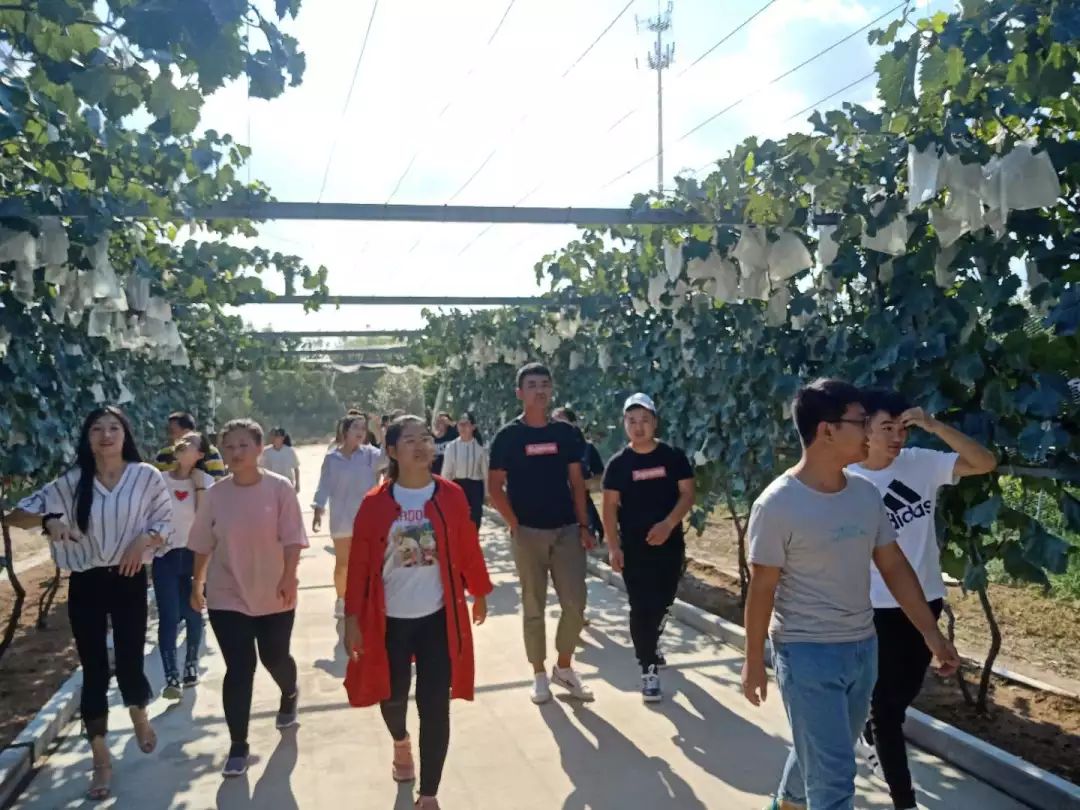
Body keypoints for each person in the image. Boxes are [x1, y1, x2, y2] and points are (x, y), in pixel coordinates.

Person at [741, 379, 960, 810]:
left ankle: (787, 803)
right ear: (827, 430)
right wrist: (753, 661)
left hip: (862, 648)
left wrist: (932, 635)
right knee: (836, 779)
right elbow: (762, 589)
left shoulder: (864, 494)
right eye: (861, 422)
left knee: (827, 750)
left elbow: (894, 566)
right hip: (807, 654)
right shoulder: (777, 504)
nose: (869, 431)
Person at [7, 406, 172, 801]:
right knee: (94, 668)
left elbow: (166, 522)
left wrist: (144, 539)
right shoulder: (71, 482)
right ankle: (100, 758)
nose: (106, 435)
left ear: (125, 434)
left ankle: (138, 713)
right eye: (97, 429)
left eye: (114, 428)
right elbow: (16, 514)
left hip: (130, 578)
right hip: (87, 581)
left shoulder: (145, 476)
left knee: (130, 658)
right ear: (87, 437)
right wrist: (48, 521)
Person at [851, 390, 997, 810]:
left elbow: (984, 462)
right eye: (887, 428)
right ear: (865, 429)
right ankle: (905, 800)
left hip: (924, 601)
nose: (897, 437)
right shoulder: (847, 479)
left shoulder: (920, 463)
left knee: (899, 696)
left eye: (903, 428)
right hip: (872, 606)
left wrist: (933, 426)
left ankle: (870, 733)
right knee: (886, 708)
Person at [344, 415, 493, 810]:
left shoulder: (451, 495)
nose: (421, 446)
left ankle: (428, 794)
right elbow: (359, 564)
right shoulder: (375, 504)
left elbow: (467, 546)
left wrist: (479, 590)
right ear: (392, 451)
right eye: (410, 440)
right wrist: (351, 618)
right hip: (389, 621)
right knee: (391, 697)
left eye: (425, 438)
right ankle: (400, 741)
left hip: (437, 619)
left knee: (434, 704)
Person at [189, 418, 308, 778]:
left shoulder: (279, 488)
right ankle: (238, 744)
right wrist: (197, 583)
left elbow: (293, 538)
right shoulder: (215, 495)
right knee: (240, 668)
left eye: (243, 445)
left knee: (274, 657)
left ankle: (289, 692)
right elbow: (202, 543)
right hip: (227, 594)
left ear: (259, 448)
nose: (236, 452)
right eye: (229, 446)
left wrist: (289, 576)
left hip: (274, 591)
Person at [488, 363, 595, 704]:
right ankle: (538, 673)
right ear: (520, 393)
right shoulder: (508, 437)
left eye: (545, 384)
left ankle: (564, 667)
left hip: (566, 530)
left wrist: (584, 525)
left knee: (575, 603)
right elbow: (495, 487)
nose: (539, 391)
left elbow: (577, 483)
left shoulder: (566, 434)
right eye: (532, 385)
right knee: (533, 605)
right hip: (528, 533)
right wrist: (514, 523)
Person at [602, 394, 694, 703]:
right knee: (641, 606)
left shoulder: (673, 457)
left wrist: (668, 524)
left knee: (664, 601)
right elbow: (609, 507)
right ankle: (648, 668)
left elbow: (687, 494)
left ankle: (651, 642)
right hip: (634, 549)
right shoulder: (618, 465)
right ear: (624, 424)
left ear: (655, 422)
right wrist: (613, 547)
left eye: (644, 420)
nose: (638, 427)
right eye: (632, 421)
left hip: (669, 546)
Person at [154, 431, 214, 699]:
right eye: (182, 441)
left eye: (191, 443)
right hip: (165, 556)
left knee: (193, 611)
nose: (183, 443)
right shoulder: (159, 480)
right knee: (168, 616)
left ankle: (191, 664)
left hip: (194, 556)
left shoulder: (207, 483)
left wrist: (199, 486)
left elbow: (203, 521)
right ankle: (171, 676)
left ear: (200, 454)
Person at [314, 414, 385, 618]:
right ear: (345, 431)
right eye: (356, 427)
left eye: (363, 427)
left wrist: (380, 431)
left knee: (369, 562)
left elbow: (387, 457)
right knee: (343, 563)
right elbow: (324, 485)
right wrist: (318, 509)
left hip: (367, 519)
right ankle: (341, 599)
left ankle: (366, 598)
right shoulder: (332, 458)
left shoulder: (371, 454)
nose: (360, 431)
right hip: (341, 518)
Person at [553, 406, 605, 543]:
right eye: (553, 421)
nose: (556, 425)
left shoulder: (587, 448)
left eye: (561, 421)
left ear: (573, 424)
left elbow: (601, 478)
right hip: (556, 511)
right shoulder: (549, 449)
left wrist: (580, 485)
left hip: (583, 507)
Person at [441, 411, 488, 530]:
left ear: (473, 427)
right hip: (457, 486)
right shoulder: (451, 447)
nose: (463, 428)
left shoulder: (480, 448)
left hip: (475, 488)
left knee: (474, 521)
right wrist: (443, 492)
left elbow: (485, 473)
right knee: (457, 521)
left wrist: (487, 494)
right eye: (460, 424)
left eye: (466, 424)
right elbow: (446, 472)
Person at [154, 411, 226, 478]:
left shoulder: (210, 453)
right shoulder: (163, 455)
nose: (170, 436)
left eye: (172, 432)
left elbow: (218, 483)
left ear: (187, 431)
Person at [260, 427, 301, 493]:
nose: (274, 438)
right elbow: (261, 469)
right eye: (272, 435)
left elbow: (296, 469)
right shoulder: (265, 452)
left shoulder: (289, 451)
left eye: (276, 436)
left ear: (283, 437)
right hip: (272, 485)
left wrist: (297, 485)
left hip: (288, 484)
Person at [430, 412, 458, 476]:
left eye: (441, 421)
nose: (438, 423)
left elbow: (462, 430)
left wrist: (450, 423)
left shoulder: (453, 434)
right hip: (436, 474)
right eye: (437, 421)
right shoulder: (431, 437)